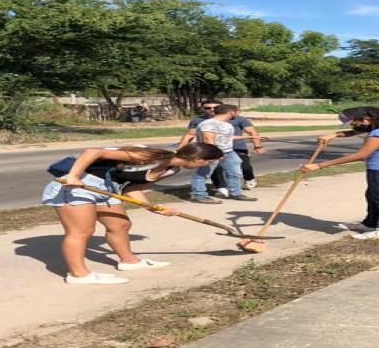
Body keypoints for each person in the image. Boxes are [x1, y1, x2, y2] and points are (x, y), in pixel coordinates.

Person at [43, 143, 223, 285]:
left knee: (120, 225)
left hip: (106, 188)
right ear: (198, 159)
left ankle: (129, 261)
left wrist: (152, 207)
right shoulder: (150, 156)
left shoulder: (170, 169)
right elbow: (93, 152)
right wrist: (73, 176)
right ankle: (78, 275)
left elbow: (132, 188)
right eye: (209, 162)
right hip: (78, 185)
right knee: (81, 231)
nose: (208, 166)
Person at [300, 107, 379, 240]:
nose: (353, 126)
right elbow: (356, 132)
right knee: (373, 196)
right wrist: (335, 134)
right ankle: (370, 224)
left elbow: (361, 154)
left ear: (366, 120)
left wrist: (319, 165)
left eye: (354, 123)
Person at [184, 104, 259, 204]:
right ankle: (199, 195)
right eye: (237, 112)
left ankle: (236, 193)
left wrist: (253, 138)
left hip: (228, 152)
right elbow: (208, 139)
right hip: (210, 153)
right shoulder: (209, 123)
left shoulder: (227, 124)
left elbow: (228, 137)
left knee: (235, 172)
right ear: (231, 112)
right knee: (203, 173)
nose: (238, 114)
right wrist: (215, 154)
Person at [230, 107, 267, 189]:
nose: (211, 109)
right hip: (220, 148)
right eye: (207, 108)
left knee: (245, 166)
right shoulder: (204, 120)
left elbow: (252, 132)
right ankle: (222, 186)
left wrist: (258, 146)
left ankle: (249, 179)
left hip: (239, 147)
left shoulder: (240, 119)